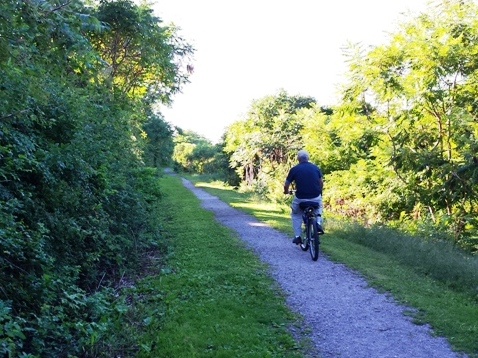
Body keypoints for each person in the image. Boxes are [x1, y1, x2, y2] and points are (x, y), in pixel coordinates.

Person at [283, 149, 324, 245]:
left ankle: (297, 237)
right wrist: (319, 191)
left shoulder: (294, 169)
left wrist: (286, 192)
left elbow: (286, 184)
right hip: (315, 196)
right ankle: (317, 223)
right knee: (319, 207)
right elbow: (321, 182)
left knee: (296, 214)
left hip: (300, 198)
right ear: (308, 158)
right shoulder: (315, 168)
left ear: (298, 159)